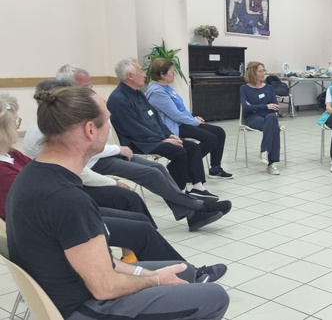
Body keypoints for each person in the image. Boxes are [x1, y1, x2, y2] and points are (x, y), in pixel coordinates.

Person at [6, 86, 229, 319]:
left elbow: (100, 263)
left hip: (75, 288)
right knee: (214, 297)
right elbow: (105, 287)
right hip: (84, 307)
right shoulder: (68, 198)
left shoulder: (35, 175)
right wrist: (154, 280)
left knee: (185, 272)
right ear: (90, 130)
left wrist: (144, 272)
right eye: (107, 121)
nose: (110, 128)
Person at [26, 77, 230, 232]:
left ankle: (192, 212)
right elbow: (88, 153)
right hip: (93, 165)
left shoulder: (59, 122)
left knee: (157, 167)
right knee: (152, 174)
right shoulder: (46, 130)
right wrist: (118, 151)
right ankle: (195, 208)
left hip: (100, 157)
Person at [107, 59, 222, 199]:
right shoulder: (119, 98)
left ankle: (198, 187)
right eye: (141, 71)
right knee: (179, 151)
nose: (145, 75)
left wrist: (169, 134)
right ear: (130, 76)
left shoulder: (138, 94)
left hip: (153, 137)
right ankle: (179, 192)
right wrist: (163, 139)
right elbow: (134, 128)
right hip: (139, 142)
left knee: (191, 147)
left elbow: (155, 117)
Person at [146, 58, 233, 179]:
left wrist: (193, 118)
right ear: (162, 74)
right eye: (172, 71)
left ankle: (215, 168)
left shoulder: (166, 87)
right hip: (172, 128)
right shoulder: (156, 92)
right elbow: (175, 114)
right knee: (211, 139)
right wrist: (194, 122)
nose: (175, 74)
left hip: (180, 123)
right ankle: (184, 166)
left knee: (219, 132)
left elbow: (180, 109)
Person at [239, 61, 281, 175]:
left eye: (264, 70)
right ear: (253, 73)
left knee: (272, 119)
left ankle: (265, 152)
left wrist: (253, 106)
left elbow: (276, 107)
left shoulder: (269, 88)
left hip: (268, 117)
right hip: (253, 118)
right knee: (274, 127)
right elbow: (246, 108)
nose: (263, 73)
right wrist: (266, 106)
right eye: (260, 71)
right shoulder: (244, 88)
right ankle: (271, 164)